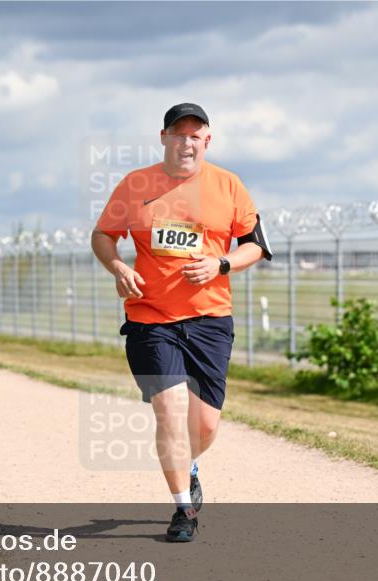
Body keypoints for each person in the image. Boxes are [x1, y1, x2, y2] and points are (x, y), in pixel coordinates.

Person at [91, 103, 272, 542]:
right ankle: (182, 510)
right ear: (163, 137)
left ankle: (188, 464)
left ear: (206, 140)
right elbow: (102, 237)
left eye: (195, 134)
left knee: (205, 425)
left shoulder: (228, 185)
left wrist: (222, 264)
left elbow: (255, 246)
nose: (186, 142)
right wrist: (118, 268)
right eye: (178, 133)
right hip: (151, 318)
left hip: (210, 319)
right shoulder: (136, 185)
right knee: (170, 411)